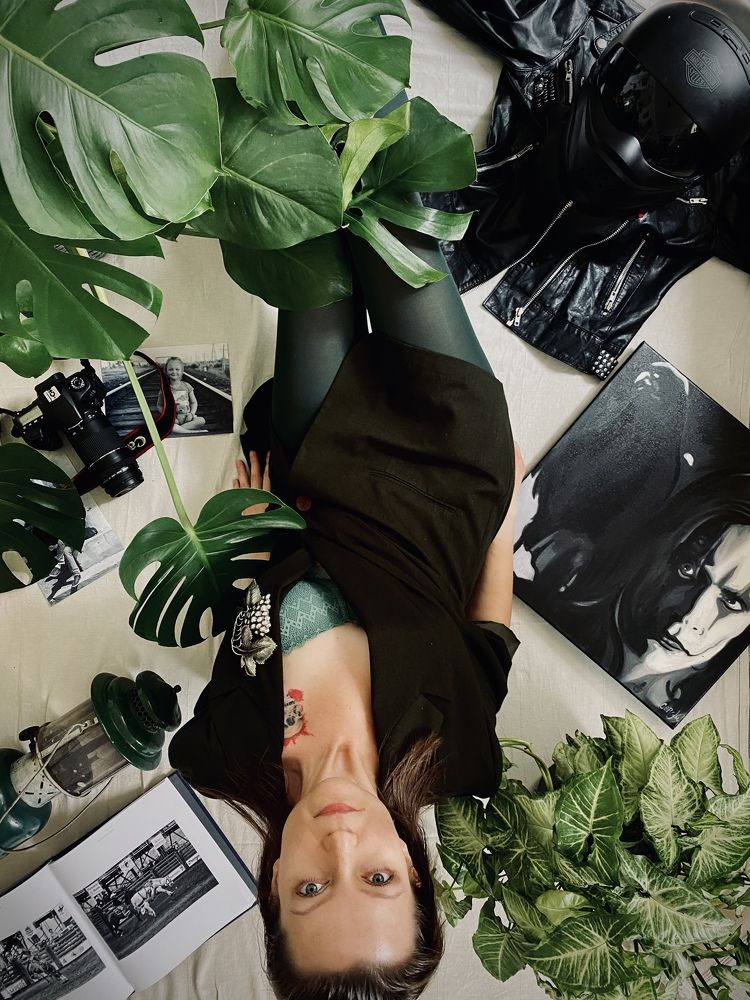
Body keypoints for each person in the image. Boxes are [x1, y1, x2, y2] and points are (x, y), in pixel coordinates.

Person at [168, 225, 522, 999]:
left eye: (311, 889)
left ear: (272, 891)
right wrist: (505, 513)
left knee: (303, 223)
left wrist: (254, 541)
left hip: (319, 472)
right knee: (393, 217)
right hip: (450, 472)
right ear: (415, 873)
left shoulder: (220, 752)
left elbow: (245, 633)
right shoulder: (460, 756)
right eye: (375, 877)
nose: (340, 842)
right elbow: (489, 636)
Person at [164, 357, 207, 434]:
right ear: (166, 371)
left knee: (202, 420)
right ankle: (192, 432)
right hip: (174, 419)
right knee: (170, 425)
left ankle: (179, 430)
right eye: (170, 369)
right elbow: (160, 405)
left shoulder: (187, 386)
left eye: (177, 369)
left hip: (187, 417)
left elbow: (193, 402)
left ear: (182, 371)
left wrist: (192, 414)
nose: (174, 372)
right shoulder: (165, 388)